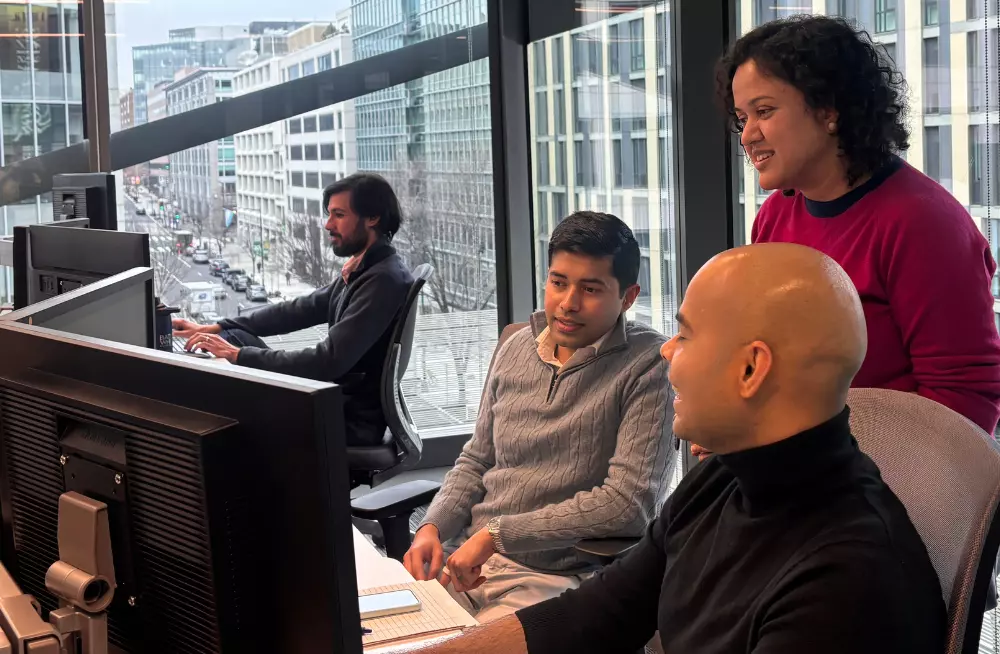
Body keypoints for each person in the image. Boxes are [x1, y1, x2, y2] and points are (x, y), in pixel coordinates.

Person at [410, 243, 945, 654]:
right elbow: (598, 613)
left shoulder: (845, 581)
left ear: (751, 369)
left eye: (685, 336)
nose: (667, 350)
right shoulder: (723, 479)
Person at [716, 15, 1000, 439]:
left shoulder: (923, 224)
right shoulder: (775, 215)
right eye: (743, 117)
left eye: (765, 111)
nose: (747, 136)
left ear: (829, 110)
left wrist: (865, 475)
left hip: (886, 470)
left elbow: (964, 400)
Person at [403, 211, 675, 624]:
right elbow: (477, 460)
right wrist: (433, 527)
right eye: (558, 282)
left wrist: (498, 535)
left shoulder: (649, 364)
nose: (568, 303)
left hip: (560, 576)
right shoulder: (517, 346)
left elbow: (628, 504)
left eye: (590, 289)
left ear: (628, 297)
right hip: (467, 562)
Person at [172, 172, 413, 446]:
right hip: (334, 400)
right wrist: (218, 327)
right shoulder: (365, 269)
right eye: (329, 214)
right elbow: (299, 310)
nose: (328, 224)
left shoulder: (382, 280)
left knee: (224, 403)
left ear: (373, 218)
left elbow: (326, 360)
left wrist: (237, 355)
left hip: (345, 418)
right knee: (233, 336)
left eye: (339, 215)